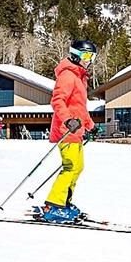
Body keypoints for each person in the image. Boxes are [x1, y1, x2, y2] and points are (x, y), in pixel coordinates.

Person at [41, 39, 97, 223]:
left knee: (78, 167)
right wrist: (68, 120)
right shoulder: (67, 75)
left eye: (92, 56)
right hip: (66, 130)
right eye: (87, 55)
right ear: (76, 54)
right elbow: (57, 101)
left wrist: (90, 126)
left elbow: (80, 108)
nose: (90, 60)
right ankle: (53, 206)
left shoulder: (79, 78)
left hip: (77, 132)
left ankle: (64, 202)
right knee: (70, 166)